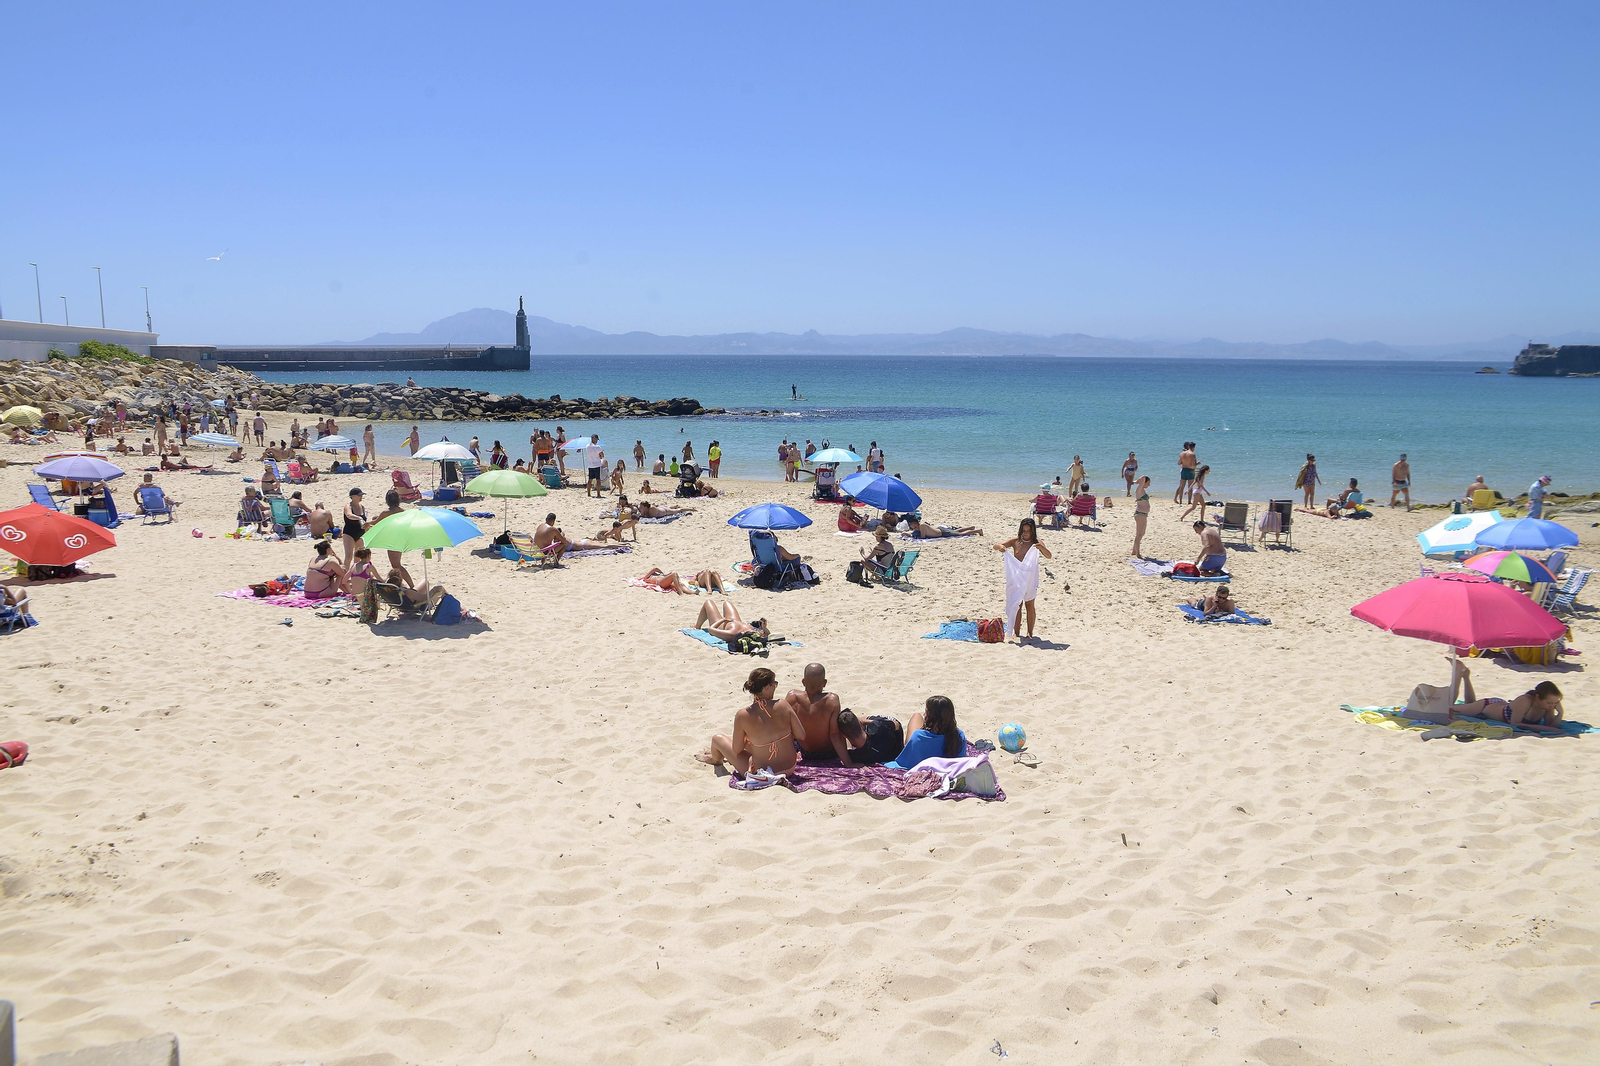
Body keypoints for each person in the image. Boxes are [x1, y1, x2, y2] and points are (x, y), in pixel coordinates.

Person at [698, 668, 804, 778]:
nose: (775, 687)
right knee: (759, 741)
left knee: (717, 739)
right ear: (767, 687)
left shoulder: (743, 715)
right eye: (775, 684)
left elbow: (737, 749)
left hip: (763, 773)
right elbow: (801, 735)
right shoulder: (783, 704)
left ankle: (716, 759)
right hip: (790, 767)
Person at [1446, 662, 1566, 733]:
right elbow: (1515, 723)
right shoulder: (1525, 700)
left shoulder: (1548, 706)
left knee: (1470, 704)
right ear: (1538, 697)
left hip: (1498, 705)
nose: (1552, 706)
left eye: (1555, 703)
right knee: (1449, 707)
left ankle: (1466, 676)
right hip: (1487, 706)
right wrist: (1541, 727)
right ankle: (1458, 673)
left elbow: (1552, 726)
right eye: (1550, 703)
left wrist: (1560, 713)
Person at [995, 518, 1052, 640]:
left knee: (1030, 605)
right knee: (1017, 604)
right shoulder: (1016, 541)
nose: (1025, 533)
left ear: (1033, 532)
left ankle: (1030, 632)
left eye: (1028, 531)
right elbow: (996, 545)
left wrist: (1041, 548)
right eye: (1024, 530)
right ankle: (1016, 632)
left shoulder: (1037, 543)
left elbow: (1049, 556)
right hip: (1017, 578)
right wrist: (1001, 547)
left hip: (1030, 578)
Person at [887, 695, 967, 769]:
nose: (924, 714)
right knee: (917, 716)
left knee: (916, 716)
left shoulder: (919, 736)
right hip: (947, 771)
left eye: (926, 712)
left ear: (931, 716)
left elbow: (906, 763)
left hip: (921, 766)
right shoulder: (959, 735)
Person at [780, 663, 842, 758]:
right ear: (824, 683)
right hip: (828, 753)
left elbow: (785, 730)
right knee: (844, 723)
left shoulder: (793, 697)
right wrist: (848, 762)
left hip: (806, 752)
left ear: (803, 682)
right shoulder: (832, 700)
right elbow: (835, 735)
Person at [830, 708, 904, 767]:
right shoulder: (878, 727)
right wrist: (867, 721)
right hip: (894, 746)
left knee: (849, 724)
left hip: (884, 752)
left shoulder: (856, 757)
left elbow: (846, 748)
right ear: (861, 725)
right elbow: (896, 724)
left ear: (844, 736)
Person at [369, 488, 412, 585]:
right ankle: (400, 583)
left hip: (392, 539)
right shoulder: (403, 512)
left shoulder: (386, 513)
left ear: (387, 500)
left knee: (396, 564)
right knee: (396, 564)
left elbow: (375, 523)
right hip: (401, 538)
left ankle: (411, 584)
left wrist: (367, 523)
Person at [693, 599, 768, 641]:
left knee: (708, 602)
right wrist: (764, 627)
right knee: (727, 602)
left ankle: (697, 626)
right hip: (734, 620)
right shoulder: (751, 629)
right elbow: (767, 635)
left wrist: (722, 620)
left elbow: (711, 629)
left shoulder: (732, 633)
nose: (759, 631)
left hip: (720, 624)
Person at [639, 566, 724, 594]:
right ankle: (681, 593)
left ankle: (692, 592)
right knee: (674, 574)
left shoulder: (661, 575)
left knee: (680, 584)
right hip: (660, 582)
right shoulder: (650, 577)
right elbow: (655, 569)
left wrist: (663, 574)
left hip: (665, 581)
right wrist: (661, 573)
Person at [341, 487, 368, 568]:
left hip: (360, 533)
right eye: (359, 495)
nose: (361, 497)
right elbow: (349, 515)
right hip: (349, 533)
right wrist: (359, 518)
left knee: (358, 558)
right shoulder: (348, 506)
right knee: (348, 557)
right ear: (352, 496)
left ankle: (355, 576)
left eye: (361, 495)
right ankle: (343, 577)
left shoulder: (362, 507)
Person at [1131, 475, 1152, 559]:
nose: (1149, 485)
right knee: (1139, 534)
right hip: (1140, 514)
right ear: (1144, 482)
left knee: (1141, 533)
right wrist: (1137, 482)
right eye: (1148, 483)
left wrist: (1138, 482)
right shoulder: (1139, 490)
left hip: (1143, 514)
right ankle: (1138, 553)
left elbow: (1143, 479)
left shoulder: (1142, 490)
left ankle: (1134, 550)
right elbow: (1143, 477)